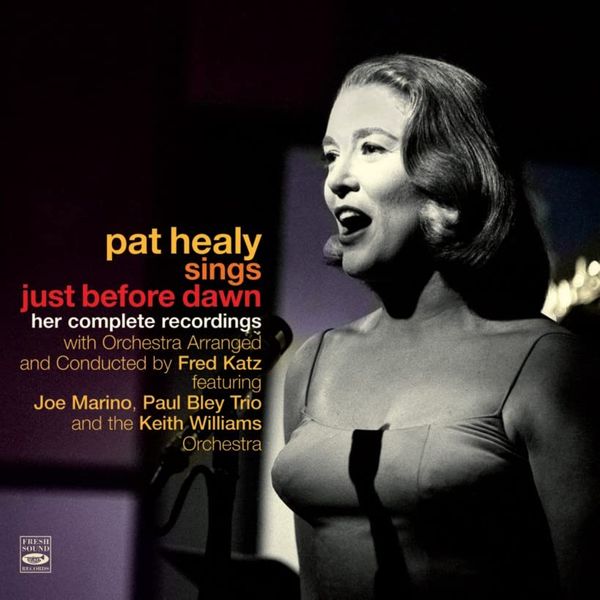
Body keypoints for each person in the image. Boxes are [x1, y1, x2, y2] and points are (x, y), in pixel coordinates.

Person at [271, 54, 599, 599]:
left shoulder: (547, 364)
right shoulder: (314, 363)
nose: (337, 179)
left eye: (371, 149)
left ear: (451, 172)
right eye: (331, 155)